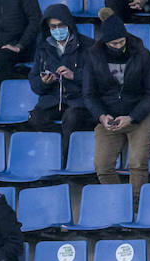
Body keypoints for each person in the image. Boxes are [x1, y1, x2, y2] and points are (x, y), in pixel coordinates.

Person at [84, 10, 150, 201]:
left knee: (137, 163)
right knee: (102, 166)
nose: (118, 46)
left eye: (121, 41)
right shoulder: (93, 56)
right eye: (113, 43)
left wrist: (132, 117)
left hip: (140, 115)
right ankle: (119, 203)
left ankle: (135, 206)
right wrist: (102, 116)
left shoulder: (142, 54)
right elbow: (89, 94)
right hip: (109, 117)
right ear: (105, 41)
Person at [28, 7, 92, 158]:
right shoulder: (43, 48)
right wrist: (44, 82)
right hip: (52, 101)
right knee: (35, 118)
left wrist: (74, 75)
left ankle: (64, 161)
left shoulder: (88, 46)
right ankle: (59, 143)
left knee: (71, 118)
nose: (57, 30)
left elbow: (97, 78)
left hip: (78, 102)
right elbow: (34, 81)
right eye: (53, 27)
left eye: (61, 26)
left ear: (69, 24)